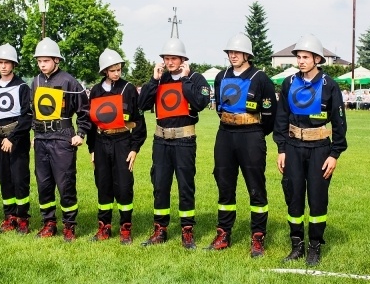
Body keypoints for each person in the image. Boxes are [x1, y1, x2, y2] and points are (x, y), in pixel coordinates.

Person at [273, 35, 348, 265]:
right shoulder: (289, 83)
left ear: (317, 59)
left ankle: (315, 246)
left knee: (317, 198)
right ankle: (297, 245)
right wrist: (282, 149)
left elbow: (339, 123)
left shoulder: (329, 85)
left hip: (320, 150)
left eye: (306, 57)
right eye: (299, 57)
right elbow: (281, 118)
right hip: (293, 148)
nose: (301, 61)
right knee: (293, 196)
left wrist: (334, 154)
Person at [207, 34, 277, 256]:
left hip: (251, 135)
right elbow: (219, 108)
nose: (233, 55)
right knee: (224, 185)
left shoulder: (261, 78)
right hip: (225, 134)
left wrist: (256, 132)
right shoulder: (221, 76)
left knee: (256, 187)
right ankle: (223, 233)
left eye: (237, 52)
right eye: (230, 52)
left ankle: (258, 237)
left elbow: (270, 114)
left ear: (247, 54)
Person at [138, 37, 210, 248]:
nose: (169, 62)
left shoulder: (196, 79)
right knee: (160, 185)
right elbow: (142, 104)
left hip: (184, 140)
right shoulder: (160, 79)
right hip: (161, 141)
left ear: (183, 60)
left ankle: (187, 231)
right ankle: (160, 229)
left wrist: (185, 80)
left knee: (185, 186)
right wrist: (153, 81)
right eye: (166, 58)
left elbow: (199, 103)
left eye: (174, 58)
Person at [31, 38, 90, 241]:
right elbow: (34, 111)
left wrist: (80, 134)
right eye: (39, 61)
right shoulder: (35, 82)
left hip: (63, 139)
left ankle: (69, 225)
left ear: (56, 60)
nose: (42, 65)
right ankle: (49, 223)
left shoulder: (69, 81)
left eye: (46, 61)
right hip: (41, 139)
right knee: (43, 184)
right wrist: (35, 134)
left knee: (65, 184)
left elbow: (84, 111)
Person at [86, 49, 147, 244]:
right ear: (104, 71)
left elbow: (139, 121)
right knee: (103, 184)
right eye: (112, 70)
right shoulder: (96, 91)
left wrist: (134, 148)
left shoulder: (128, 89)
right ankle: (104, 227)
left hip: (122, 142)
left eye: (119, 69)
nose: (116, 73)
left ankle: (125, 228)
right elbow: (91, 123)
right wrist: (92, 149)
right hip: (101, 143)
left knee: (124, 186)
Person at [0, 44, 33, 234]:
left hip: (17, 140)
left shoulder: (22, 87)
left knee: (20, 178)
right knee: (4, 177)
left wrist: (12, 138)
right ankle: (10, 216)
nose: (3, 66)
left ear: (13, 65)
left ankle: (23, 218)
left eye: (7, 63)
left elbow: (27, 116)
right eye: (0, 62)